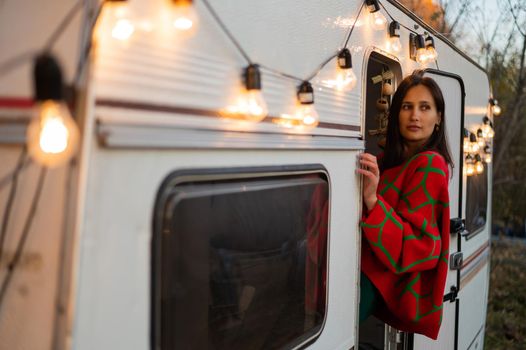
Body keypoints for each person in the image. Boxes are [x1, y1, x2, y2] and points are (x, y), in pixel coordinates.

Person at [357, 70, 453, 340]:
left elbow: (419, 245)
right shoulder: (391, 161)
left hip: (372, 280)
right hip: (358, 268)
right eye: (407, 107)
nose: (415, 116)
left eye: (425, 107)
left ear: (438, 118)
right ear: (396, 114)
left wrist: (373, 200)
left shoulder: (431, 164)